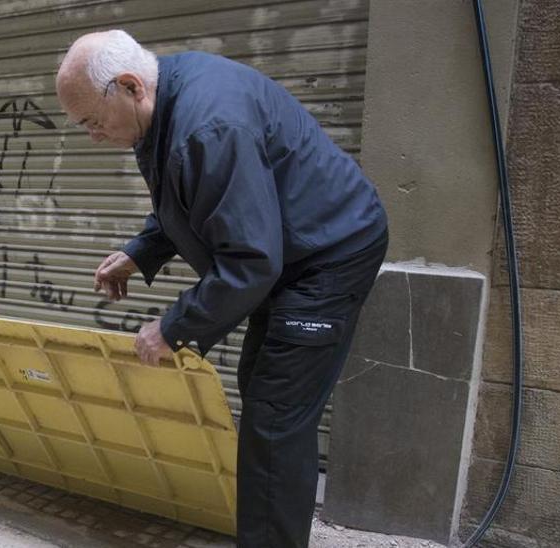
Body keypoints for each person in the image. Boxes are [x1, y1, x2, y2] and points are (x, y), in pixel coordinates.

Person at [55, 31, 388, 547]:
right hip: (289, 248)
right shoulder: (166, 101)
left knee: (275, 417)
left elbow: (251, 262)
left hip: (328, 254)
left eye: (93, 122)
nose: (93, 136)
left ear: (129, 86)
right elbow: (189, 193)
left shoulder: (206, 126)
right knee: (262, 390)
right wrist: (141, 251)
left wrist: (172, 328)